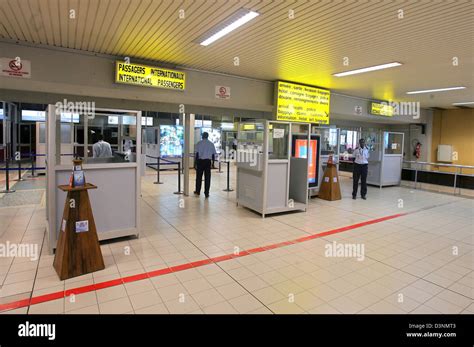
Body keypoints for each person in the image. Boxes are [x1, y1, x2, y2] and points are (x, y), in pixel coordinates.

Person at [194, 132, 216, 198]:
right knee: (207, 178)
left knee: (198, 177)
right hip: (207, 162)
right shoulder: (211, 144)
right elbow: (213, 155)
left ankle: (197, 191)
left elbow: (197, 154)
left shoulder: (199, 143)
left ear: (202, 136)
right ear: (207, 136)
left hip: (200, 162)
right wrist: (213, 163)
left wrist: (195, 163)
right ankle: (206, 193)